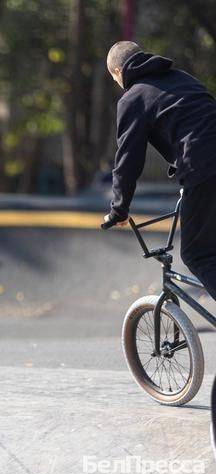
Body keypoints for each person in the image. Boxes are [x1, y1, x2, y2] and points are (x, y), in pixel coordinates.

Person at [102, 41, 216, 301]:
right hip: (203, 164)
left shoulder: (133, 98)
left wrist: (119, 209)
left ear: (117, 72)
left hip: (203, 169)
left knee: (196, 254)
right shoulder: (181, 77)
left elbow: (128, 159)